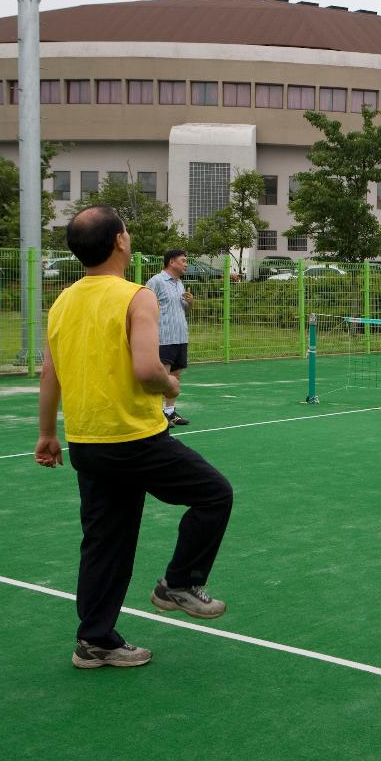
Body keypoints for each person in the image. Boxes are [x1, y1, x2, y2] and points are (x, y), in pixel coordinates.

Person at [36, 206, 234, 669]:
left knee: (106, 542)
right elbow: (147, 370)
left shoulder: (62, 301)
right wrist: (170, 383)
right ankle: (179, 583)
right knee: (214, 495)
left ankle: (95, 641)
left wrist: (48, 433)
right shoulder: (136, 296)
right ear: (121, 241)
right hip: (134, 438)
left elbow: (50, 373)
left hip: (87, 442)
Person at [146, 249, 193, 426]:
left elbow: (184, 310)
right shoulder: (156, 281)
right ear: (171, 262)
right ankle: (156, 414)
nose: (186, 264)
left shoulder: (179, 283)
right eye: (183, 260)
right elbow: (145, 306)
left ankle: (170, 412)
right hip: (164, 337)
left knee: (175, 376)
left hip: (180, 336)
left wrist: (190, 303)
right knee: (162, 377)